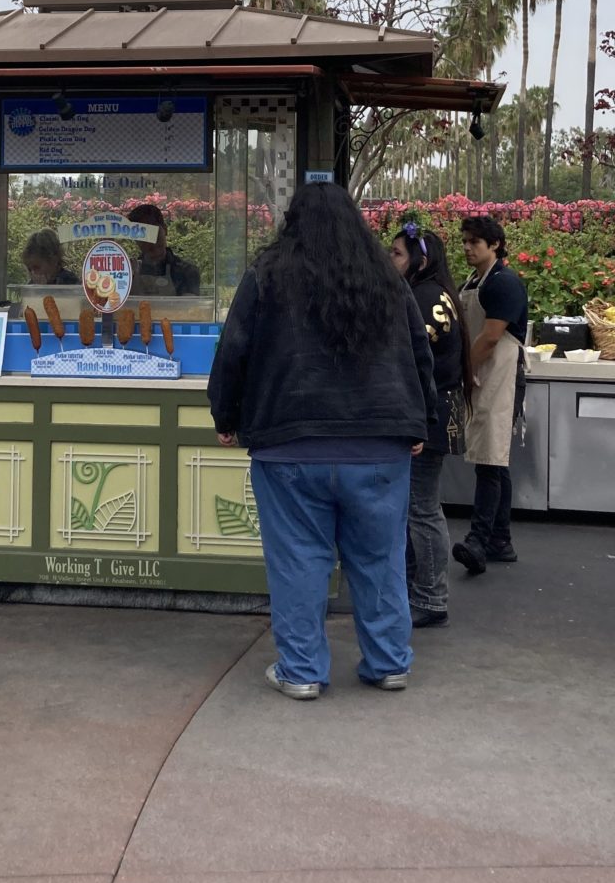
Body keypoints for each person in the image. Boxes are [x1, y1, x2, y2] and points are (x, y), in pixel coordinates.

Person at [208, 181, 438, 699]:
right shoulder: (385, 276)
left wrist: (226, 414)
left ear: (293, 222)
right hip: (380, 442)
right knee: (379, 558)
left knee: (299, 561)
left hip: (289, 443)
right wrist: (418, 421)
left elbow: (234, 350)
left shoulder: (266, 273)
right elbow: (419, 350)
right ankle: (388, 663)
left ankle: (302, 671)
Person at [390, 224, 473, 628]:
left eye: (397, 254)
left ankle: (431, 596)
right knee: (416, 508)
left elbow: (406, 355)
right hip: (438, 411)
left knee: (422, 509)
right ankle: (414, 588)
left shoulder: (424, 298)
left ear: (420, 260)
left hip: (429, 415)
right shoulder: (436, 293)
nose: (391, 261)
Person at [453, 214, 528, 577]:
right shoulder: (474, 280)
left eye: (474, 242)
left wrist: (464, 370)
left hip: (498, 373)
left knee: (491, 457)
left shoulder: (504, 283)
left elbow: (492, 336)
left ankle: (479, 540)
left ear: (494, 244)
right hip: (483, 371)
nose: (467, 248)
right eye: (465, 241)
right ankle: (501, 540)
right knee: (493, 457)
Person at [127, 202, 201, 296]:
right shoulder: (129, 274)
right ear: (135, 239)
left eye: (155, 234)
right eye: (144, 237)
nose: (151, 242)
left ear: (165, 230)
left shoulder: (187, 272)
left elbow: (190, 308)